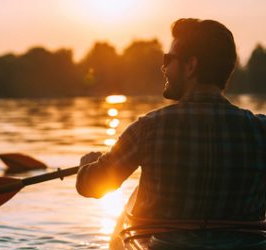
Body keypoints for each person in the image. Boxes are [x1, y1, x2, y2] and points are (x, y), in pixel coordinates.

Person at [76, 18, 266, 221]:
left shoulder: (148, 129)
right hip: (244, 248)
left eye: (168, 59)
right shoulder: (260, 130)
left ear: (190, 66)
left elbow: (92, 186)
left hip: (165, 246)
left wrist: (86, 167)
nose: (163, 68)